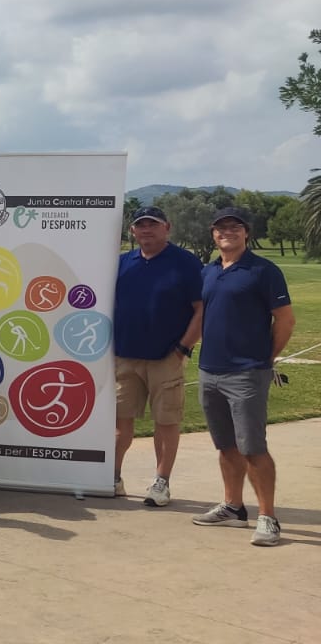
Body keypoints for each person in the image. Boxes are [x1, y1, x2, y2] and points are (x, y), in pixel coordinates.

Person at [191, 207, 294, 547]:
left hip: (247, 372)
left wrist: (266, 358)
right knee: (226, 445)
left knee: (253, 448)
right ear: (213, 234)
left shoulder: (264, 271)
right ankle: (234, 506)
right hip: (210, 370)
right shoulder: (209, 271)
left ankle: (268, 518)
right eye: (221, 228)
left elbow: (285, 320)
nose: (227, 232)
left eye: (235, 227)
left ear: (246, 233)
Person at [113, 206, 203, 505]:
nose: (146, 230)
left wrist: (183, 348)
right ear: (133, 231)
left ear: (168, 227)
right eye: (141, 225)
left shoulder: (186, 263)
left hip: (167, 356)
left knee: (165, 422)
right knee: (119, 421)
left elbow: (201, 310)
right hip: (125, 355)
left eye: (153, 224)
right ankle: (112, 476)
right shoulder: (122, 263)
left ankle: (161, 482)